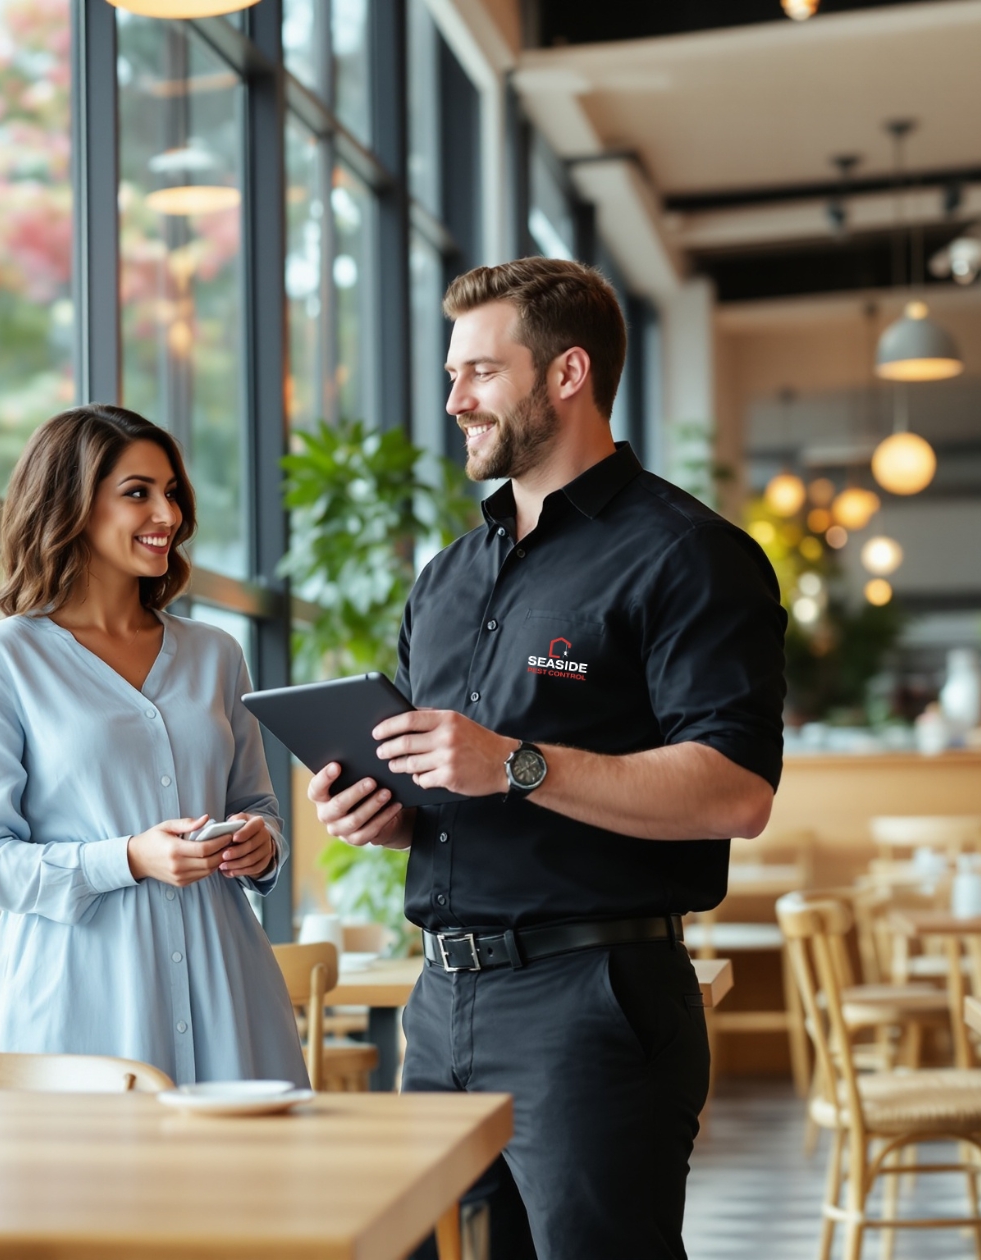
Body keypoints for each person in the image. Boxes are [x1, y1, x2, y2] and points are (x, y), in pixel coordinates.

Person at [310, 257, 786, 1259]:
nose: (452, 401)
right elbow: (450, 780)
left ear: (565, 375)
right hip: (436, 1004)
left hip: (592, 1004)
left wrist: (516, 765)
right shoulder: (445, 578)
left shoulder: (687, 555)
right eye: (451, 376)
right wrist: (387, 810)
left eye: (478, 373)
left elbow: (735, 794)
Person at [0, 403, 308, 1088]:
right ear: (70, 506)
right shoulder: (0, 661)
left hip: (225, 985)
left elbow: (257, 802)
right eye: (137, 493)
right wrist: (127, 859)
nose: (166, 515)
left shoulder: (216, 654)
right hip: (80, 996)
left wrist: (265, 843)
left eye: (171, 492)